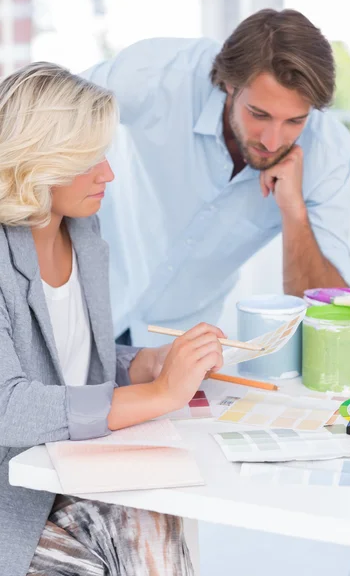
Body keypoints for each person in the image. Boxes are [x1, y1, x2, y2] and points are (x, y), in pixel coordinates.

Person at [0, 62, 223, 576]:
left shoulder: (82, 231)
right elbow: (10, 405)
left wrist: (143, 365)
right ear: (38, 161)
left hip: (68, 473)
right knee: (142, 523)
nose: (109, 174)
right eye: (89, 159)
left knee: (158, 504)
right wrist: (160, 394)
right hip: (16, 496)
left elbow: (63, 361)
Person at [81, 8, 350, 348]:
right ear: (229, 83)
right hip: (81, 307)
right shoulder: (161, 74)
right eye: (259, 114)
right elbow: (43, 114)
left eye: (294, 121)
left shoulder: (327, 150)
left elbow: (329, 314)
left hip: (177, 340)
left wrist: (294, 212)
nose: (272, 142)